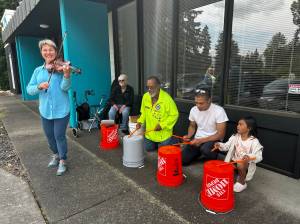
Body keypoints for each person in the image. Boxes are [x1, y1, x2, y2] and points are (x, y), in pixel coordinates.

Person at [27, 39, 71, 176]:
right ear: (41, 52)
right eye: (45, 50)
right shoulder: (37, 71)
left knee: (59, 136)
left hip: (61, 110)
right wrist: (39, 86)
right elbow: (29, 89)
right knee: (50, 137)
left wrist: (66, 75)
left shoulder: (61, 68)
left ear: (56, 52)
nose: (48, 52)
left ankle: (63, 160)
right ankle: (56, 155)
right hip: (45, 110)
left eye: (51, 50)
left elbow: (65, 88)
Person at [214, 116, 263, 193]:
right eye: (238, 124)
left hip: (244, 165)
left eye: (241, 124)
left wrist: (249, 157)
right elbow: (227, 146)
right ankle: (236, 173)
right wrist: (220, 145)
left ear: (249, 128)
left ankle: (242, 182)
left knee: (240, 164)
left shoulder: (254, 141)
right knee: (221, 171)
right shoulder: (235, 136)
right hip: (233, 162)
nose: (237, 126)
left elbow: (259, 156)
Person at [182, 87, 228, 165]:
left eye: (201, 103)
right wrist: (189, 136)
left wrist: (200, 141)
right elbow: (192, 126)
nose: (198, 105)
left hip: (213, 139)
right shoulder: (193, 109)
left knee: (206, 149)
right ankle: (199, 153)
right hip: (198, 138)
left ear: (209, 100)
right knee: (182, 160)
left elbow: (220, 135)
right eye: (196, 102)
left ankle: (211, 158)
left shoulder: (219, 111)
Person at [136, 76, 179, 151]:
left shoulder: (167, 99)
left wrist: (162, 125)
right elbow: (143, 112)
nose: (149, 90)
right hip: (150, 133)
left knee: (163, 152)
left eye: (152, 87)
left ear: (158, 86)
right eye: (147, 87)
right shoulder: (145, 97)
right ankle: (157, 144)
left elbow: (174, 115)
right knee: (148, 149)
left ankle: (174, 139)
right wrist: (140, 121)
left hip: (163, 135)